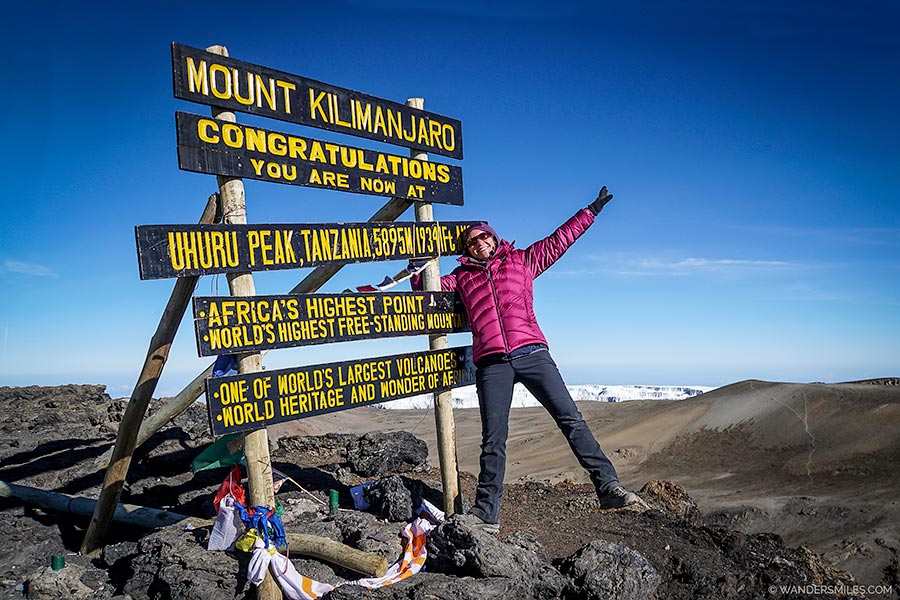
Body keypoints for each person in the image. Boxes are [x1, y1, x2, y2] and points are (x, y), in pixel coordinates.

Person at [413, 186, 639, 534]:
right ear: (466, 249)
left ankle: (608, 487)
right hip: (491, 363)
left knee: (571, 420)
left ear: (494, 237)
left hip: (532, 352)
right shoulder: (460, 278)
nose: (479, 244)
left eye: (483, 237)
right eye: (472, 242)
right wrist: (417, 269)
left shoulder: (521, 260)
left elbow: (558, 240)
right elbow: (426, 288)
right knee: (493, 439)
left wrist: (589, 211)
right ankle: (487, 513)